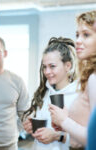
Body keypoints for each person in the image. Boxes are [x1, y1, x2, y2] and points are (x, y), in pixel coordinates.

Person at [49, 10, 96, 150]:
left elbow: (93, 137)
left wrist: (64, 121)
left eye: (86, 35)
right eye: (77, 35)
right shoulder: (90, 76)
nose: (78, 41)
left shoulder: (94, 78)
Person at [23, 37, 79, 150]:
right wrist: (30, 126)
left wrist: (57, 136)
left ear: (68, 66)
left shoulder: (79, 96)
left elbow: (87, 139)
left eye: (52, 66)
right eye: (44, 67)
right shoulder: (44, 94)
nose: (47, 72)